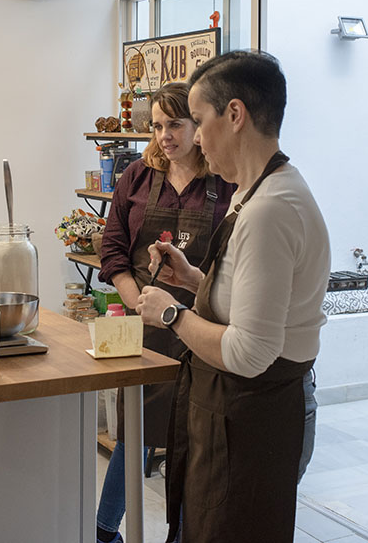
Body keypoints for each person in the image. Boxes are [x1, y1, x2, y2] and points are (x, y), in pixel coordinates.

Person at [136, 51, 330, 543]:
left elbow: (250, 352)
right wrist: (194, 280)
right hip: (233, 414)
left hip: (253, 419)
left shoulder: (270, 209)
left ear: (236, 114)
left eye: (198, 120)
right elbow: (256, 303)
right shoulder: (251, 192)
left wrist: (172, 313)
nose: (197, 137)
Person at [96, 82, 235, 543]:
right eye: (157, 126)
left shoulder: (225, 181)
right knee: (135, 432)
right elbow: (113, 248)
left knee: (193, 437)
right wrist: (136, 300)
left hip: (205, 325)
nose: (164, 136)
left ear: (199, 125)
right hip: (147, 326)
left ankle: (179, 535)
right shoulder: (136, 177)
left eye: (174, 124)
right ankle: (104, 531)